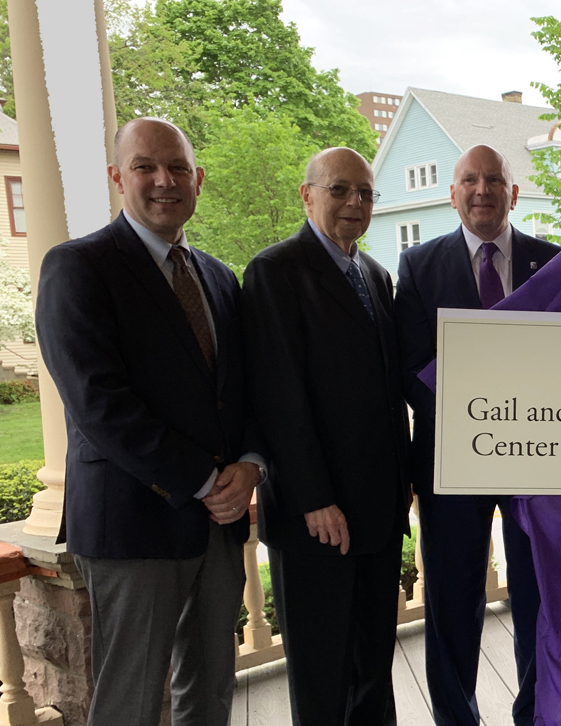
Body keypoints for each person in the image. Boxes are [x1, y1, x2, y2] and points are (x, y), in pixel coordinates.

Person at [34, 117, 265, 725]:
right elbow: (98, 404)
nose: (164, 181)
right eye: (145, 167)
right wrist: (207, 480)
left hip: (216, 530)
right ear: (118, 177)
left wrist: (249, 465)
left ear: (198, 179)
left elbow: (242, 393)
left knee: (211, 689)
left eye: (178, 168)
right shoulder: (78, 267)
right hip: (132, 523)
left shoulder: (217, 276)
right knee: (131, 703)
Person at [242, 147, 411, 726]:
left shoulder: (374, 274)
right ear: (307, 195)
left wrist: (403, 480)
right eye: (339, 190)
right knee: (321, 672)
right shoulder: (275, 271)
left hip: (378, 509)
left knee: (372, 662)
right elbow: (277, 396)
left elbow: (389, 392)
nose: (353, 203)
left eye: (365, 193)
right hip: (318, 515)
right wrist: (314, 496)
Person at [394, 144, 560, 726]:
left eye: (494, 180)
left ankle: (537, 713)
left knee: (541, 600)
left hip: (539, 463)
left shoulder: (552, 261)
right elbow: (414, 365)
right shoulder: (418, 266)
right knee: (452, 604)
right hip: (450, 463)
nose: (482, 190)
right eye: (470, 180)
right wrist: (487, 412)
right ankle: (456, 718)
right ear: (453, 193)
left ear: (513, 194)